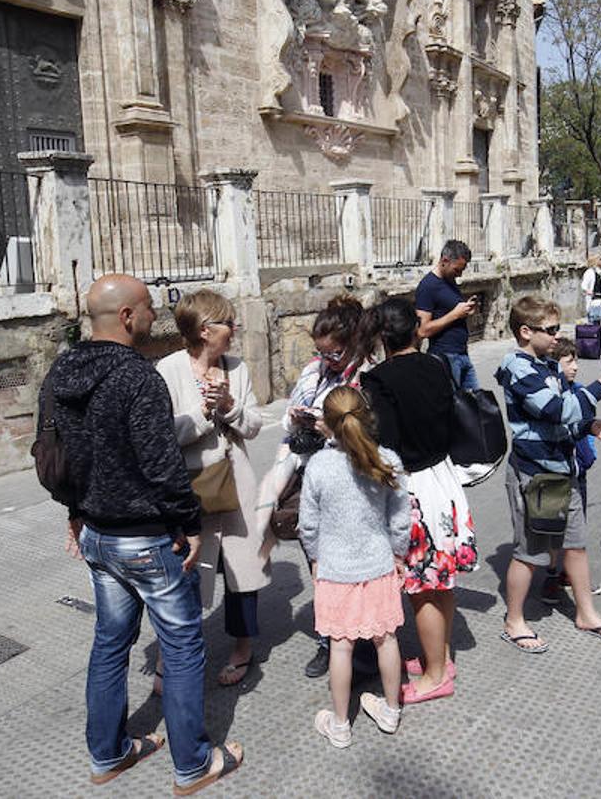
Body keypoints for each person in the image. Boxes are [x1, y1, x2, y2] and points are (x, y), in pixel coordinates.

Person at [39, 274, 242, 794]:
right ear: (128, 317)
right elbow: (162, 465)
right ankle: (193, 764)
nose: (157, 316)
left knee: (110, 644)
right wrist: (187, 523)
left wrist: (73, 510)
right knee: (181, 647)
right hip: (148, 538)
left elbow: (50, 453)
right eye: (149, 307)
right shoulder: (139, 377)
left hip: (98, 536)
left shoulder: (62, 370)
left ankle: (108, 754)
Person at [361, 299, 477, 704]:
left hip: (412, 489)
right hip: (443, 480)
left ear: (381, 337)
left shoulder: (377, 381)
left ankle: (434, 676)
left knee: (423, 586)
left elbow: (387, 446)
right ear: (414, 330)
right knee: (441, 578)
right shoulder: (437, 366)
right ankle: (440, 657)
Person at [497, 295, 601, 653]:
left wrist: (590, 426)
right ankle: (514, 621)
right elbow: (554, 409)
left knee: (575, 545)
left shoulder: (545, 364)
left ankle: (586, 613)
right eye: (551, 330)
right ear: (526, 331)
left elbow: (565, 416)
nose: (557, 336)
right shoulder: (518, 368)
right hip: (537, 475)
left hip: (562, 470)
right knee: (532, 550)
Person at [157, 290, 269, 689]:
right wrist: (205, 414)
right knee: (187, 572)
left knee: (242, 569)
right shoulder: (168, 370)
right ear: (205, 330)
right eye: (228, 323)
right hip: (192, 488)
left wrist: (230, 407)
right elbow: (162, 434)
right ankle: (175, 651)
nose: (234, 330)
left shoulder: (236, 368)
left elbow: (255, 425)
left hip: (236, 482)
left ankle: (242, 647)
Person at [298, 386, 411, 748]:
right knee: (386, 639)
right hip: (378, 563)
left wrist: (315, 558)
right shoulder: (387, 460)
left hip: (335, 568)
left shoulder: (318, 466)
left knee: (341, 646)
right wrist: (398, 554)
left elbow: (308, 525)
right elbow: (401, 520)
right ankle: (391, 711)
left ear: (326, 426)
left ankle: (341, 724)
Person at [279, 295, 373, 678]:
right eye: (322, 352)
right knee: (318, 566)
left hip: (350, 484)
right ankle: (329, 641)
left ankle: (364, 643)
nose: (328, 360)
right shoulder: (313, 371)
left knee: (353, 569)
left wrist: (331, 431)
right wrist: (296, 418)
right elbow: (287, 420)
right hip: (310, 478)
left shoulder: (366, 376)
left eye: (334, 352)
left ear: (351, 342)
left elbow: (370, 439)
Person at [539, 336, 601, 605]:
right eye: (569, 361)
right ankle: (552, 576)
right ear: (555, 365)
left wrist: (590, 452)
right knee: (554, 528)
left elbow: (588, 426)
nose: (576, 366)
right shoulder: (549, 395)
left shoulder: (579, 390)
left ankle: (569, 573)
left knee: (576, 528)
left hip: (578, 470)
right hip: (554, 471)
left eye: (576, 360)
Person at [415, 240, 479, 389]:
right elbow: (422, 330)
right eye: (457, 270)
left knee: (477, 405)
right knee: (452, 406)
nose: (459, 274)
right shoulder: (428, 286)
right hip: (445, 356)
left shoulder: (450, 281)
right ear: (445, 261)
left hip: (462, 354)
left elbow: (448, 311)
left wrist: (466, 311)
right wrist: (455, 315)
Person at [581, 255, 601, 325]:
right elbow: (584, 286)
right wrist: (588, 291)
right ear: (595, 261)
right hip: (593, 302)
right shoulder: (589, 272)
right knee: (594, 323)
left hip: (600, 301)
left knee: (600, 324)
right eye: (600, 259)